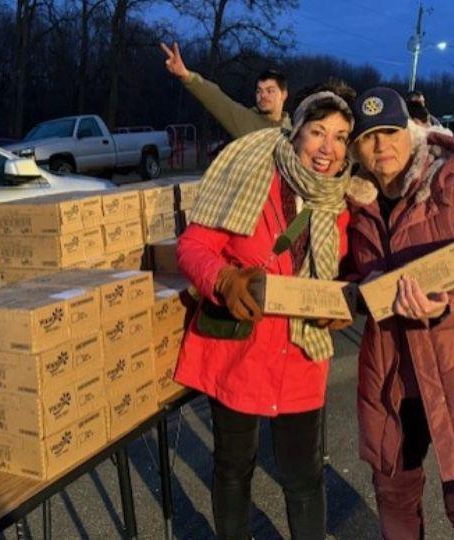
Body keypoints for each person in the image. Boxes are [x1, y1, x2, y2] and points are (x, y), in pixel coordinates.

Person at [173, 79, 359, 540]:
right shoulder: (251, 180)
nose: (327, 148)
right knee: (234, 467)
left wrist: (344, 297)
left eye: (339, 137)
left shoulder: (342, 203)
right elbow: (193, 245)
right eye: (318, 131)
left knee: (303, 475)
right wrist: (223, 278)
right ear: (296, 131)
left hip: (300, 353)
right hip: (240, 349)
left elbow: (352, 269)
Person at [343, 87, 454, 539]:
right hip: (391, 375)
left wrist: (445, 307)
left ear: (411, 132)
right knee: (395, 498)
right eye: (368, 137)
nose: (381, 146)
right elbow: (340, 278)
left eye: (390, 132)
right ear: (356, 148)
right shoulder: (353, 208)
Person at [161, 42, 288, 137]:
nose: (263, 95)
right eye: (259, 91)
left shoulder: (294, 132)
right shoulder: (246, 121)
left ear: (283, 95)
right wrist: (186, 75)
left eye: (270, 91)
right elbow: (216, 98)